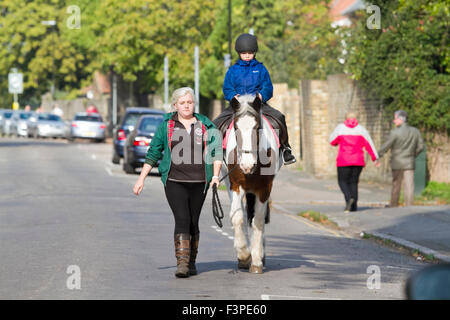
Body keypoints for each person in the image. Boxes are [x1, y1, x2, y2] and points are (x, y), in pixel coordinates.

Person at [133, 87, 223, 278]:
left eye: (189, 102)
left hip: (200, 181)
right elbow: (153, 153)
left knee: (193, 222)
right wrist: (142, 178)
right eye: (182, 103)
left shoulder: (206, 125)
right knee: (182, 218)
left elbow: (216, 153)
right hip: (175, 180)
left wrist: (215, 176)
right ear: (175, 105)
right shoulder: (166, 125)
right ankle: (182, 263)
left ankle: (191, 262)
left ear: (194, 104)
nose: (186, 106)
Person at [213, 33, 296, 165]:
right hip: (238, 106)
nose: (247, 55)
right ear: (239, 53)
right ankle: (213, 152)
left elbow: (267, 86)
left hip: (258, 105)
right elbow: (227, 88)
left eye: (250, 52)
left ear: (255, 52)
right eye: (244, 53)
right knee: (216, 122)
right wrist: (232, 96)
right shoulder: (232, 70)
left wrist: (261, 96)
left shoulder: (261, 69)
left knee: (280, 117)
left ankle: (286, 149)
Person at [329, 111, 379, 212]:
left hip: (344, 160)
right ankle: (354, 207)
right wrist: (375, 158)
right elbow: (369, 144)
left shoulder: (340, 128)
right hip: (358, 161)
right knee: (354, 183)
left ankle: (349, 199)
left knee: (342, 181)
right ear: (356, 119)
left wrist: (339, 141)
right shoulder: (361, 129)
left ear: (345, 118)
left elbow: (332, 141)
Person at [377, 110, 424, 207]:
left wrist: (377, 155)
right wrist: (413, 154)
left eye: (395, 118)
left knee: (396, 184)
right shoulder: (415, 131)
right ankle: (409, 205)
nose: (394, 121)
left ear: (401, 119)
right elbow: (421, 146)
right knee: (409, 185)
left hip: (397, 161)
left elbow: (387, 145)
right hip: (410, 161)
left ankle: (393, 204)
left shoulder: (395, 132)